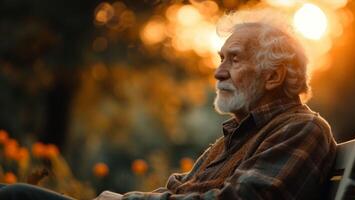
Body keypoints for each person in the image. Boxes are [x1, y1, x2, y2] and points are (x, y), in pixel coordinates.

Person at [0, 10, 337, 200]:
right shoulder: (235, 138)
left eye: (234, 59)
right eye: (220, 59)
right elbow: (179, 190)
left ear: (274, 76)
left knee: (16, 198)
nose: (219, 72)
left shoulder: (302, 129)